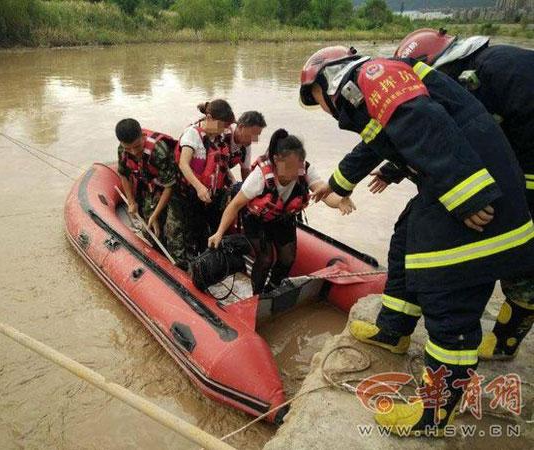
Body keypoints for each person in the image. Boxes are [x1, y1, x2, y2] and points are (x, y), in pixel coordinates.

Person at [299, 46, 534, 436]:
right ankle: (393, 330)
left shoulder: (371, 76)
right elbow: (378, 140)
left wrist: (466, 194)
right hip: (457, 182)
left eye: (316, 97)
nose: (322, 108)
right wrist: (338, 184)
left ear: (329, 78)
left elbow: (422, 122)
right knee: (406, 235)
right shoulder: (373, 90)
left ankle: (434, 413)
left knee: (446, 292)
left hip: (478, 192)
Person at [365, 29, 534, 361]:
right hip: (501, 173)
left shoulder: (487, 76)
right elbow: (435, 134)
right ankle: (395, 327)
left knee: (521, 263)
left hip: (517, 176)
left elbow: (449, 133)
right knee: (410, 228)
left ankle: (503, 343)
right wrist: (391, 170)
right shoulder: (478, 73)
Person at [208, 129, 355, 294]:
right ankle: (257, 295)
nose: (295, 172)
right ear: (277, 160)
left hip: (283, 218)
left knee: (288, 258)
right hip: (256, 219)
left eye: (298, 165)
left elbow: (324, 193)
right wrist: (219, 232)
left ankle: (273, 288)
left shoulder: (303, 170)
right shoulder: (259, 178)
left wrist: (340, 201)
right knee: (265, 259)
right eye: (290, 167)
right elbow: (234, 205)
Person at [165, 99, 235, 269]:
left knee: (209, 229)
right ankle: (190, 266)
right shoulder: (192, 135)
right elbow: (183, 163)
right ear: (209, 118)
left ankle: (209, 263)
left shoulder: (217, 137)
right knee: (191, 232)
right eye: (222, 125)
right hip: (189, 194)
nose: (225, 130)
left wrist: (232, 181)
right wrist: (199, 187)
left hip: (210, 195)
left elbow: (221, 164)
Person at [115, 118, 177, 240]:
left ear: (143, 136)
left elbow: (170, 186)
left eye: (137, 146)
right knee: (149, 231)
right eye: (128, 148)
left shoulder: (159, 150)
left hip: (174, 187)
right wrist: (131, 202)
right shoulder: (122, 149)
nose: (134, 152)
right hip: (152, 185)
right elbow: (123, 174)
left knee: (174, 233)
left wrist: (155, 214)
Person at [225, 111, 267, 181]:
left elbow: (246, 171)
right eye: (253, 134)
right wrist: (234, 183)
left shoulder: (245, 146)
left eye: (257, 136)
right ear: (241, 127)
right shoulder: (223, 135)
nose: (254, 140)